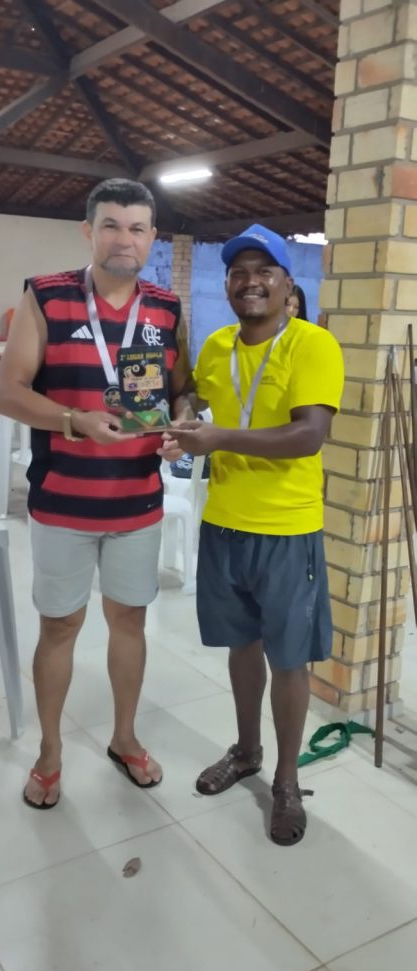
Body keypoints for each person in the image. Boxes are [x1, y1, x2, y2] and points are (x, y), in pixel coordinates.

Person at [0, 178, 193, 808]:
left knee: (129, 622)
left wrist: (183, 424)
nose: (123, 239)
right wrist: (73, 420)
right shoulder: (47, 296)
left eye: (136, 228)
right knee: (60, 627)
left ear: (152, 237)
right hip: (63, 504)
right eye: (110, 225)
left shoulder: (166, 308)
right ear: (89, 231)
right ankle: (50, 753)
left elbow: (182, 391)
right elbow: (7, 392)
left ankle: (124, 738)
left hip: (138, 503)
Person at [161, 223, 344, 846]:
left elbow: (308, 435)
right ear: (228, 286)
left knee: (288, 658)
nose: (250, 281)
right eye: (238, 272)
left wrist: (218, 439)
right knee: (241, 646)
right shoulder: (217, 346)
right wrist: (182, 423)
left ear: (289, 286)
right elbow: (194, 397)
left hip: (288, 530)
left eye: (265, 271)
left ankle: (286, 781)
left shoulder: (313, 345)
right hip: (225, 524)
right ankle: (246, 751)